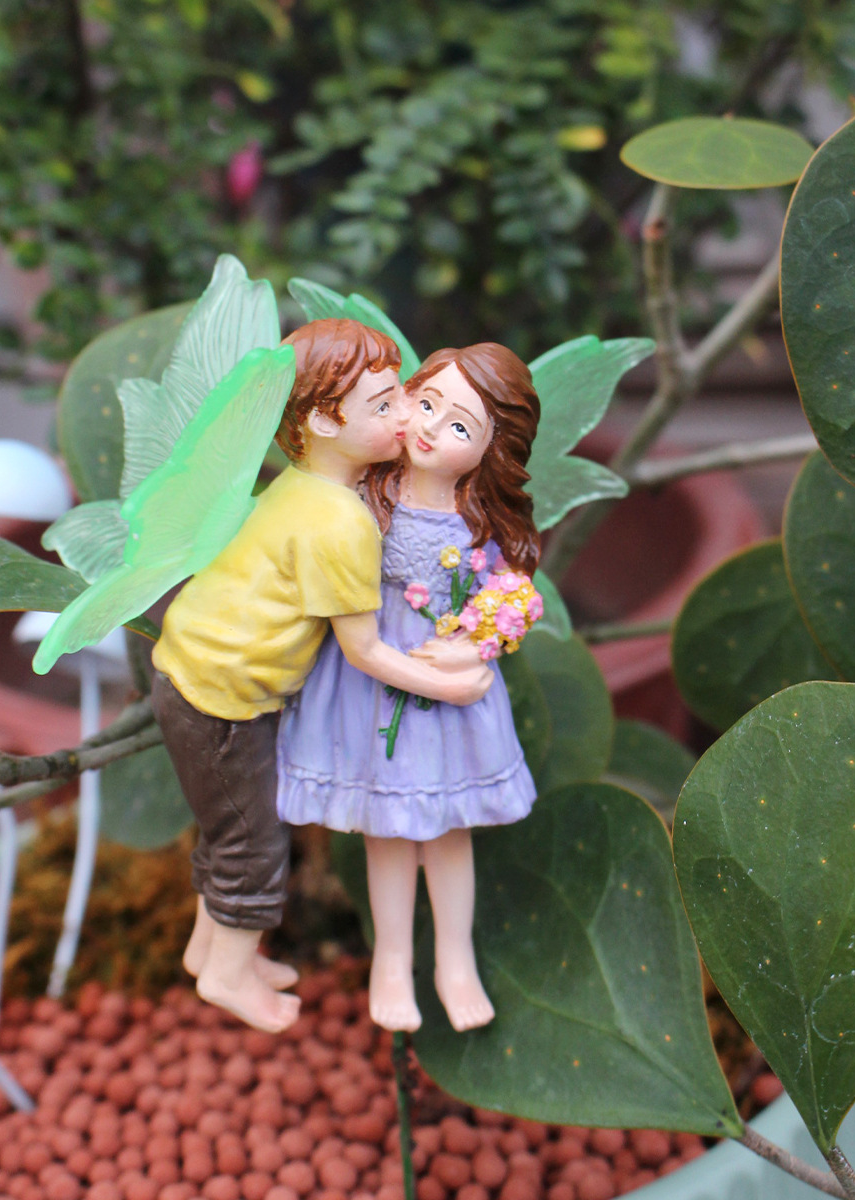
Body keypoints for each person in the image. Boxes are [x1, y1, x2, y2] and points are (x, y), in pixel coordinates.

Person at [151, 320, 494, 1033]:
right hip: (224, 696)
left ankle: (207, 950)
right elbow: (364, 651)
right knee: (253, 845)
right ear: (323, 422)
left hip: (196, 674)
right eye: (384, 405)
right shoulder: (340, 521)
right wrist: (450, 686)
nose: (405, 414)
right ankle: (226, 977)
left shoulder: (305, 484)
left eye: (402, 394)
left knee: (226, 828)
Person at [276, 343, 541, 1034]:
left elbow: (512, 595)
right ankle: (391, 960)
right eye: (425, 403)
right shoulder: (369, 495)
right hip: (367, 682)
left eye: (458, 426)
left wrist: (473, 644)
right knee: (386, 832)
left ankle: (455, 959)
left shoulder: (481, 519)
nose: (428, 427)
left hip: (448, 690)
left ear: (489, 450)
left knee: (449, 833)